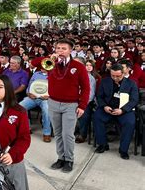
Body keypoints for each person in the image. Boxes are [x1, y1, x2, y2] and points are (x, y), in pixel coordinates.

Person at [31, 38, 90, 173]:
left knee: (67, 134)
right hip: (53, 102)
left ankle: (69, 159)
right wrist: (49, 57)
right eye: (58, 48)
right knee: (57, 133)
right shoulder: (50, 63)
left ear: (70, 50)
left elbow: (86, 88)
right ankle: (61, 158)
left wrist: (82, 106)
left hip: (71, 105)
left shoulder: (78, 66)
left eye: (64, 48)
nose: (60, 51)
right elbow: (34, 63)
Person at [94, 64, 139, 159]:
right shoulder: (104, 81)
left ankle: (123, 150)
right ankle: (102, 144)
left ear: (123, 73)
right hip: (108, 108)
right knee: (97, 117)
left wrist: (123, 110)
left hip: (124, 110)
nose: (115, 78)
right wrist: (104, 106)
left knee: (130, 122)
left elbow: (134, 100)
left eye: (118, 76)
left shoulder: (131, 83)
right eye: (113, 75)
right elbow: (99, 96)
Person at [19, 67, 52, 142]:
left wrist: (50, 96)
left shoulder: (54, 75)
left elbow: (57, 88)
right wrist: (28, 93)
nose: (43, 67)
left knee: (46, 110)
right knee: (20, 106)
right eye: (41, 65)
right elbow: (29, 86)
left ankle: (47, 133)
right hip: (33, 97)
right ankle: (27, 128)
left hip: (45, 99)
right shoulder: (36, 74)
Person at [75, 59, 99, 143]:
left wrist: (83, 103)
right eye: (87, 65)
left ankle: (82, 134)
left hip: (86, 101)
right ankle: (72, 131)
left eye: (90, 65)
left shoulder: (91, 78)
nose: (88, 67)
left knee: (84, 115)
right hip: (75, 100)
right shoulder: (78, 75)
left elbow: (91, 94)